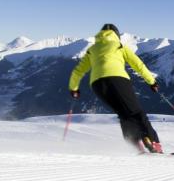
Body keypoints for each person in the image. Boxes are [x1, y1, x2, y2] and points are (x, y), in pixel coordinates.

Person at [69, 23, 163, 153]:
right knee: (136, 113)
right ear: (116, 35)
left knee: (123, 114)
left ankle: (135, 145)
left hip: (97, 85)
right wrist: (152, 82)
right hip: (118, 80)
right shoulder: (119, 46)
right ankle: (154, 143)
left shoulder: (92, 49)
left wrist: (74, 89)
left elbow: (77, 72)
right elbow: (138, 65)